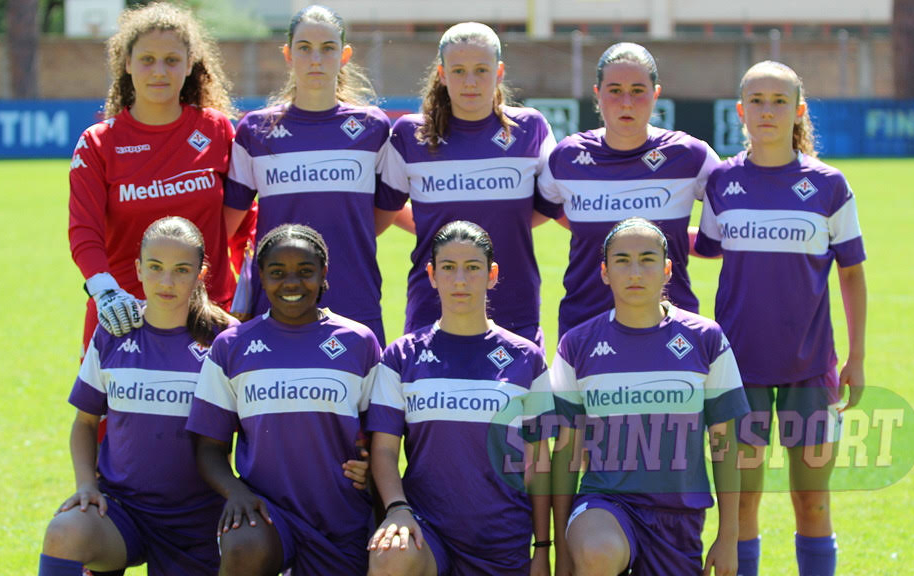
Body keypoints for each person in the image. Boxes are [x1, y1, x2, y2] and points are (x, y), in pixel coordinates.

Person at [695, 61, 867, 576]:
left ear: (798, 111)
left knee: (812, 502)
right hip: (738, 370)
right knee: (742, 505)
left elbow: (852, 274)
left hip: (810, 369)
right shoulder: (722, 181)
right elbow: (707, 246)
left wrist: (856, 358)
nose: (767, 111)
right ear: (740, 110)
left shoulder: (829, 185)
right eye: (756, 101)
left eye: (779, 101)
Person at [38, 217, 237, 576]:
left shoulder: (225, 339)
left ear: (201, 273)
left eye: (181, 270)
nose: (166, 282)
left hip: (197, 521)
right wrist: (86, 485)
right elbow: (85, 423)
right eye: (155, 267)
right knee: (64, 531)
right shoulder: (113, 333)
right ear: (138, 269)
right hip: (121, 511)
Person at [550, 218, 749, 576]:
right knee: (597, 553)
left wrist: (729, 536)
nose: (635, 272)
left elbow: (725, 443)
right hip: (605, 503)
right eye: (622, 261)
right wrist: (563, 554)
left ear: (667, 269)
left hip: (679, 517)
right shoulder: (577, 346)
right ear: (605, 272)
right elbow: (566, 452)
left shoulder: (706, 339)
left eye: (647, 259)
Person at [186, 223, 377, 575]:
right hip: (267, 512)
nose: (291, 283)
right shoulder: (232, 346)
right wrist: (236, 492)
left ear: (323, 274)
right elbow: (209, 447)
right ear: (261, 276)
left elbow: (381, 436)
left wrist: (371, 468)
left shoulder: (358, 342)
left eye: (305, 271)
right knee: (243, 544)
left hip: (341, 517)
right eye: (277, 272)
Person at [366, 221, 552, 576]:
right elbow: (385, 450)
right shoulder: (401, 356)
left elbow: (538, 466)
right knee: (391, 555)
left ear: (492, 275)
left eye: (472, 267)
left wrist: (542, 547)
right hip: (426, 530)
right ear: (432, 275)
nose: (460, 280)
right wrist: (397, 508)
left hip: (502, 538)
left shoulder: (527, 359)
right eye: (448, 268)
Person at [69, 2, 246, 347]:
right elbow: (84, 231)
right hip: (123, 318)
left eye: (172, 60)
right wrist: (105, 292)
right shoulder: (98, 143)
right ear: (127, 63)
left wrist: (253, 291)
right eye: (147, 59)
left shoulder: (216, 129)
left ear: (190, 63)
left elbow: (243, 222)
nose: (159, 71)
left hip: (208, 320)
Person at [378, 22, 560, 348]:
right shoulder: (410, 134)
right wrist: (428, 225)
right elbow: (385, 210)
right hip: (431, 308)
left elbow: (550, 205)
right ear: (442, 74)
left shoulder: (531, 128)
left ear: (499, 72)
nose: (470, 82)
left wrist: (509, 221)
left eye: (481, 70)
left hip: (514, 307)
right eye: (459, 71)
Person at [224, 4, 392, 343]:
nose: (316, 59)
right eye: (304, 48)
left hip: (355, 299)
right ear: (288, 54)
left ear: (344, 55)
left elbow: (382, 213)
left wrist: (346, 234)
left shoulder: (372, 128)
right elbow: (227, 223)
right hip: (275, 302)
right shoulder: (255, 131)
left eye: (328, 48)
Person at [538, 42, 721, 339]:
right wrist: (593, 226)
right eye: (615, 90)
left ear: (655, 94)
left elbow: (728, 228)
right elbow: (548, 209)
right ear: (597, 94)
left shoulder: (691, 156)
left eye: (638, 90)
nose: (626, 102)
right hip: (584, 327)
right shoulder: (567, 158)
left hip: (672, 331)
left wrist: (677, 236)